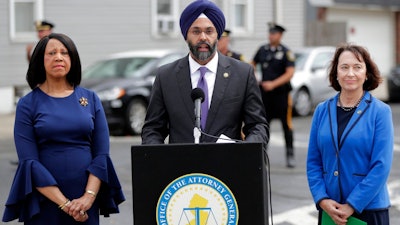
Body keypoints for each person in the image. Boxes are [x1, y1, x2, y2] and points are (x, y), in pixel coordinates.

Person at [2, 33, 125, 224]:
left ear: (72, 59)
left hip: (86, 203)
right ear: (40, 60)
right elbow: (29, 162)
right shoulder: (28, 104)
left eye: (64, 53)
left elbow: (101, 155)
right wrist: (66, 205)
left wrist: (88, 198)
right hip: (45, 202)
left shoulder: (90, 98)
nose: (58, 57)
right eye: (51, 53)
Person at [141, 0, 269, 147]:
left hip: (227, 165)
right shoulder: (166, 77)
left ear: (217, 35)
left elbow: (258, 126)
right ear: (186, 35)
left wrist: (246, 152)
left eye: (209, 31)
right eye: (196, 31)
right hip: (181, 167)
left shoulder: (242, 74)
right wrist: (158, 160)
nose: (203, 37)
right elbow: (153, 129)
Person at [306, 43, 393, 225]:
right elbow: (313, 162)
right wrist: (322, 199)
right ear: (336, 73)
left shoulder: (380, 112)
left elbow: (381, 166)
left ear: (366, 73)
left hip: (369, 209)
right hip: (330, 209)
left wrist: (352, 204)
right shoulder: (322, 111)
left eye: (357, 67)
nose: (350, 73)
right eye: (344, 67)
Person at [251, 22, 296, 168]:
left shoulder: (286, 52)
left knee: (287, 125)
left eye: (274, 33)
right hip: (265, 95)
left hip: (282, 95)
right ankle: (263, 155)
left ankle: (290, 155)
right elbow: (251, 63)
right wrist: (255, 78)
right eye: (270, 33)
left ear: (280, 35)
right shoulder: (262, 50)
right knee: (264, 125)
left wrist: (273, 84)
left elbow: (290, 73)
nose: (271, 36)